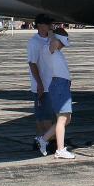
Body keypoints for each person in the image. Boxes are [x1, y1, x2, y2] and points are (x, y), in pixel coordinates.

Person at [36, 22, 76, 159]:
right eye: (62, 43)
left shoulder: (55, 51)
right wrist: (53, 32)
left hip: (62, 85)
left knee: (67, 119)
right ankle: (60, 149)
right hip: (59, 85)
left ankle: (43, 139)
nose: (64, 46)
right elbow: (53, 41)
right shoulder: (50, 48)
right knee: (62, 118)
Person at [28, 15, 56, 149]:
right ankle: (47, 140)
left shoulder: (50, 39)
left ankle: (40, 140)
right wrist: (39, 83)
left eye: (51, 24)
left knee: (45, 115)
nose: (50, 26)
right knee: (44, 116)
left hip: (51, 83)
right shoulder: (34, 42)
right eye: (47, 24)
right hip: (42, 85)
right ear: (39, 25)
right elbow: (32, 64)